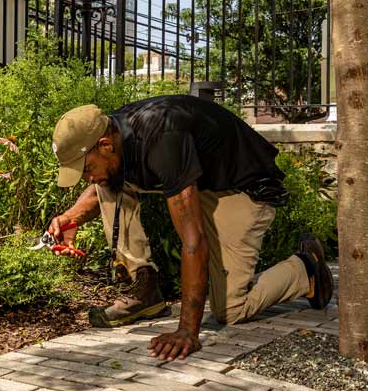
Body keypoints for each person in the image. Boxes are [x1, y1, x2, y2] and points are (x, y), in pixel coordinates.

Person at [47, 95, 334, 362]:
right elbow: (107, 180)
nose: (86, 178)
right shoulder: (115, 133)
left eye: (85, 168)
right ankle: (144, 291)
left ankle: (306, 268)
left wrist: (187, 330)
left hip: (239, 188)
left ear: (105, 144)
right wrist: (70, 218)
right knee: (108, 182)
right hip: (200, 179)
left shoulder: (161, 138)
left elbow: (193, 239)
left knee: (231, 310)